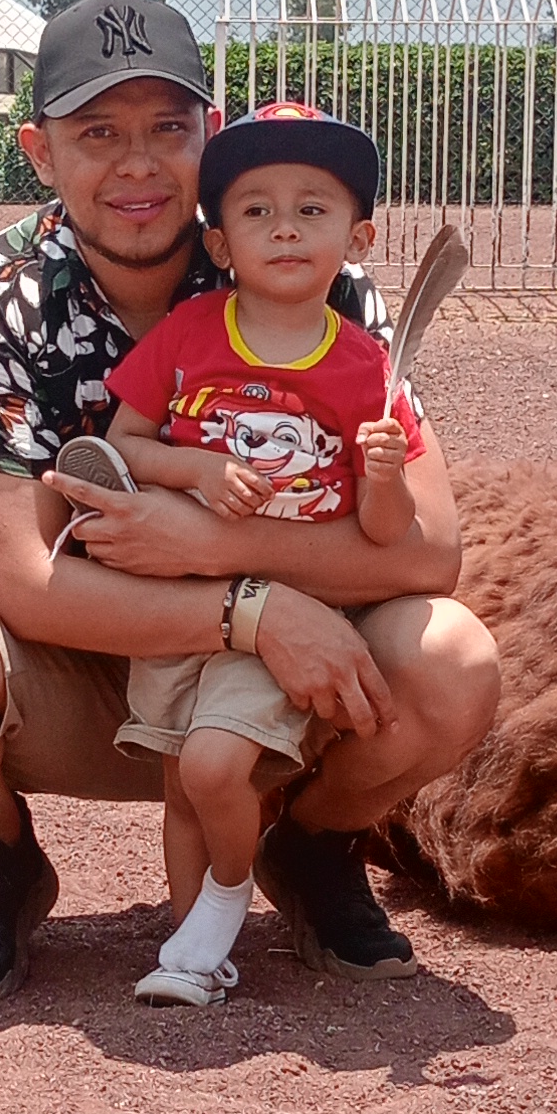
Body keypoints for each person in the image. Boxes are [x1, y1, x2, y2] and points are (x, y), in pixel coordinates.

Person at [0, 0, 501, 1000]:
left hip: (279, 689)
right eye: (98, 133)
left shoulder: (306, 270)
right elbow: (24, 578)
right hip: (90, 653)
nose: (138, 164)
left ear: (210, 135)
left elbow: (428, 552)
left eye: (167, 128)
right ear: (40, 151)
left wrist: (215, 550)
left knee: (453, 661)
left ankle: (312, 846)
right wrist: (253, 612)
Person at [104, 102, 424, 1005]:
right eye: (256, 210)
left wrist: (387, 475)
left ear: (357, 238)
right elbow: (123, 446)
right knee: (182, 786)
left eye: (312, 209)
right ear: (218, 243)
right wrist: (197, 469)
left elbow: (388, 533)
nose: (285, 227)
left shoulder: (367, 369)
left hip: (288, 609)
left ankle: (229, 892)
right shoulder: (188, 335)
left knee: (213, 764)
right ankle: (193, 955)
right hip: (183, 602)